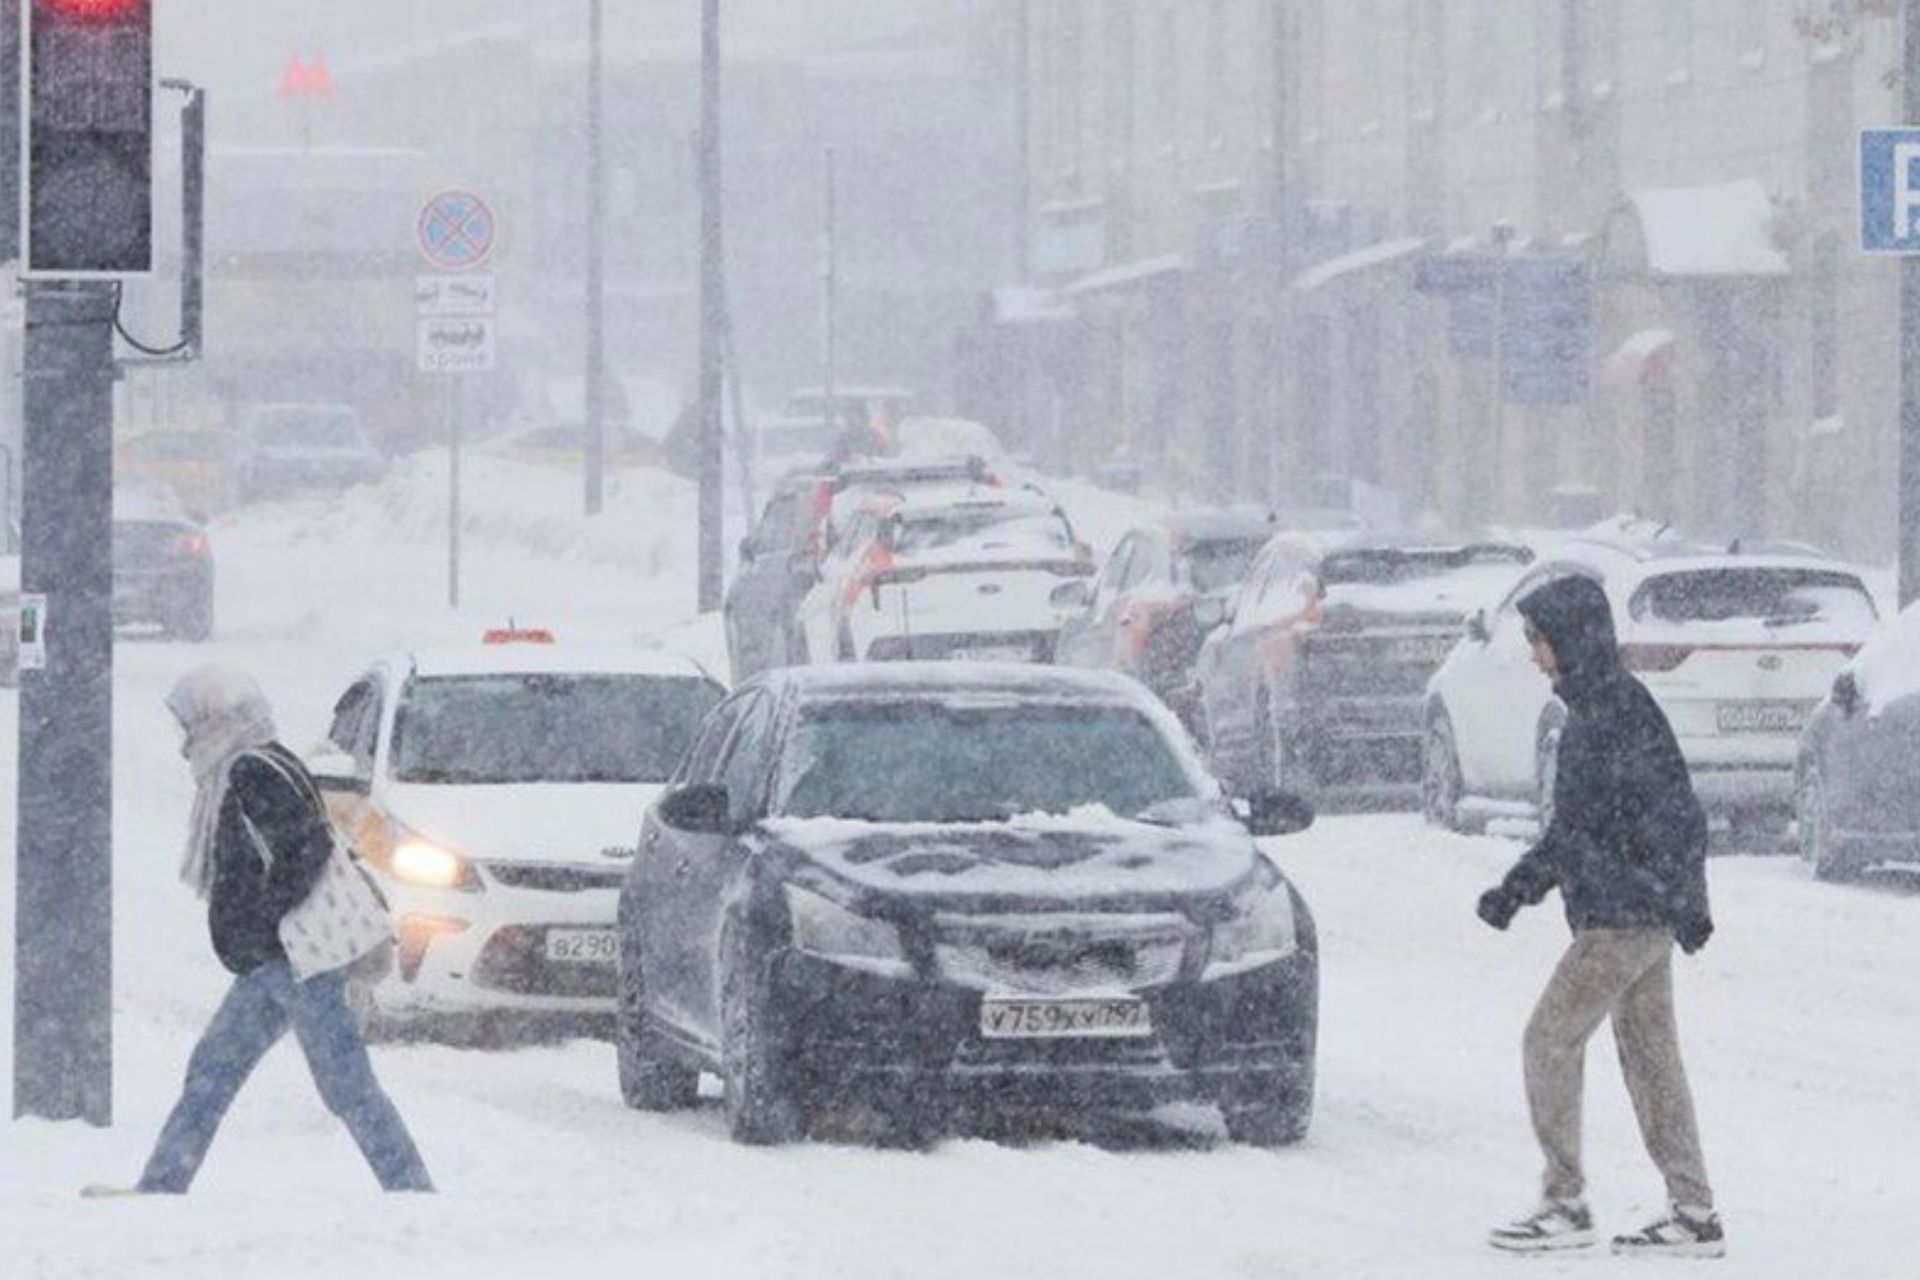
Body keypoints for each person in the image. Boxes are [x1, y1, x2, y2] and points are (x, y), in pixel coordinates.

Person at [87, 665, 432, 1196]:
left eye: (191, 724)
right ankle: (161, 1186)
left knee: (346, 1086)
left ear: (218, 718)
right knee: (212, 1072)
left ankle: (412, 1190)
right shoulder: (260, 760)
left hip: (296, 959)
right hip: (272, 963)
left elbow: (304, 851)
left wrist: (263, 922)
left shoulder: (252, 772)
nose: (186, 741)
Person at [1474, 575, 1720, 1258]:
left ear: (1571, 640)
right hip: (1644, 909)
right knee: (1651, 1058)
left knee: (1548, 1039)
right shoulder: (1610, 707)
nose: (1534, 655)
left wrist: (1517, 888)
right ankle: (1694, 1211)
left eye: (1539, 640)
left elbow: (1616, 825)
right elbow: (1635, 819)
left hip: (1623, 914)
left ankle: (1565, 1199)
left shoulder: (1607, 716)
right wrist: (1684, 902)